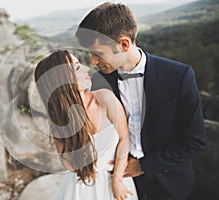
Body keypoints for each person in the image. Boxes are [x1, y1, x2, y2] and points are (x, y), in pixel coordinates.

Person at [75, 2, 206, 200]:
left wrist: (143, 166)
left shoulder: (179, 76)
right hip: (113, 183)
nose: (93, 61)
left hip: (169, 185)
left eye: (98, 53)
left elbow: (195, 141)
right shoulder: (97, 83)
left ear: (124, 44)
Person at [34, 50, 139, 200]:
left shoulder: (105, 98)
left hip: (117, 181)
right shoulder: (58, 122)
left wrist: (117, 180)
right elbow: (69, 165)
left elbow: (124, 139)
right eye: (77, 67)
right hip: (82, 187)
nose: (86, 68)